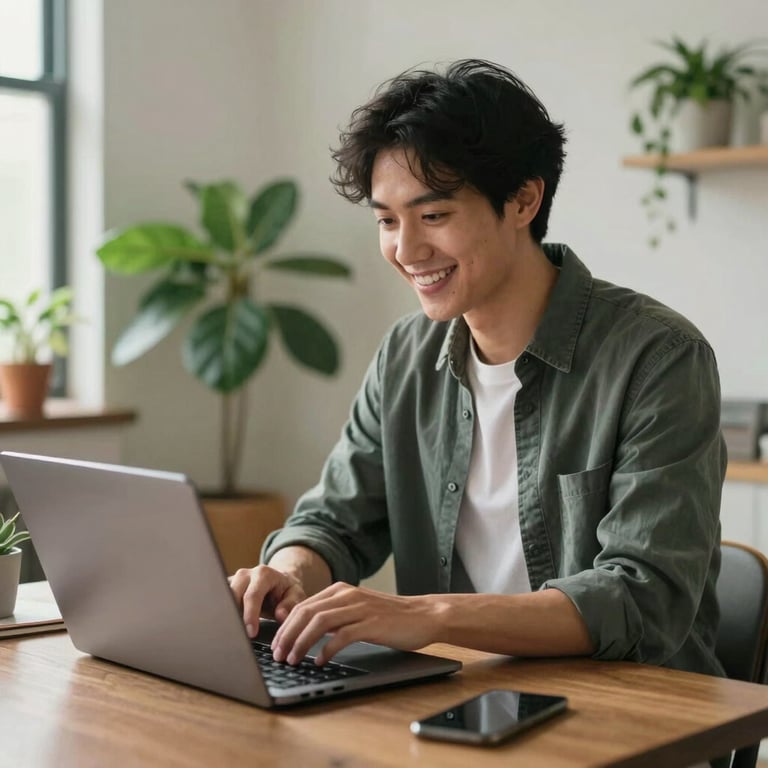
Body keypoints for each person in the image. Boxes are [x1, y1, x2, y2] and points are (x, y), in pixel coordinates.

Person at [229, 59, 726, 677]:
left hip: (630, 711)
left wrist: (432, 617)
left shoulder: (658, 358)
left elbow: (642, 597)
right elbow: (334, 519)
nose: (406, 251)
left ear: (523, 200)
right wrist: (289, 572)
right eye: (387, 220)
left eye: (433, 216)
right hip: (455, 703)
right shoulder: (405, 357)